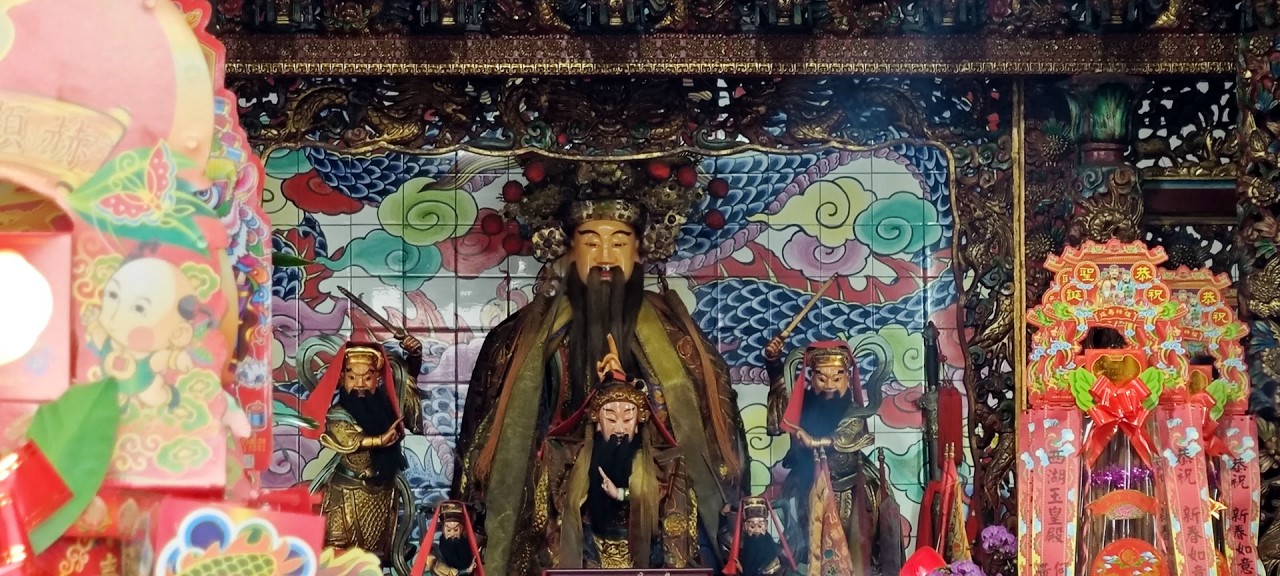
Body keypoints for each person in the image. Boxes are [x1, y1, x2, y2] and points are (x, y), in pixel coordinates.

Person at [453, 158, 748, 575]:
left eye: (619, 242)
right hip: (556, 505)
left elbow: (709, 439)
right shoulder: (520, 339)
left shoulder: (679, 337)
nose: (605, 256)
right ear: (569, 248)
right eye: (591, 243)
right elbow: (495, 443)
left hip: (657, 501)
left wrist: (634, 402)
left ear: (640, 249)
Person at [538, 357, 697, 569]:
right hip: (590, 557)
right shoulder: (568, 460)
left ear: (639, 422)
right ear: (597, 422)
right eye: (611, 420)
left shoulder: (666, 465)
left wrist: (621, 494)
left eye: (628, 419)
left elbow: (675, 525)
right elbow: (551, 522)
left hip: (645, 563)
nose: (620, 429)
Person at [301, 336, 424, 574]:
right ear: (341, 378)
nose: (359, 384)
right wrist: (379, 440)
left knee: (376, 557)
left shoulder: (385, 410)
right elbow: (346, 438)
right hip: (346, 493)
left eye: (367, 378)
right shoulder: (339, 413)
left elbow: (406, 384)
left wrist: (415, 356)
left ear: (378, 379)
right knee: (337, 552)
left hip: (383, 491)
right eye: (352, 377)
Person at [718, 496, 794, 576]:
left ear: (766, 525)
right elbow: (723, 535)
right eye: (752, 527)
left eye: (760, 526)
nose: (757, 531)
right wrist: (723, 515)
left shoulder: (776, 551)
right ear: (745, 527)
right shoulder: (740, 548)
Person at [413, 500, 483, 576]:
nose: (452, 534)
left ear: (461, 529)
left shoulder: (467, 544)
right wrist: (467, 570)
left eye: (456, 530)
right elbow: (445, 570)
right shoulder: (438, 551)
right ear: (443, 530)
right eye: (448, 530)